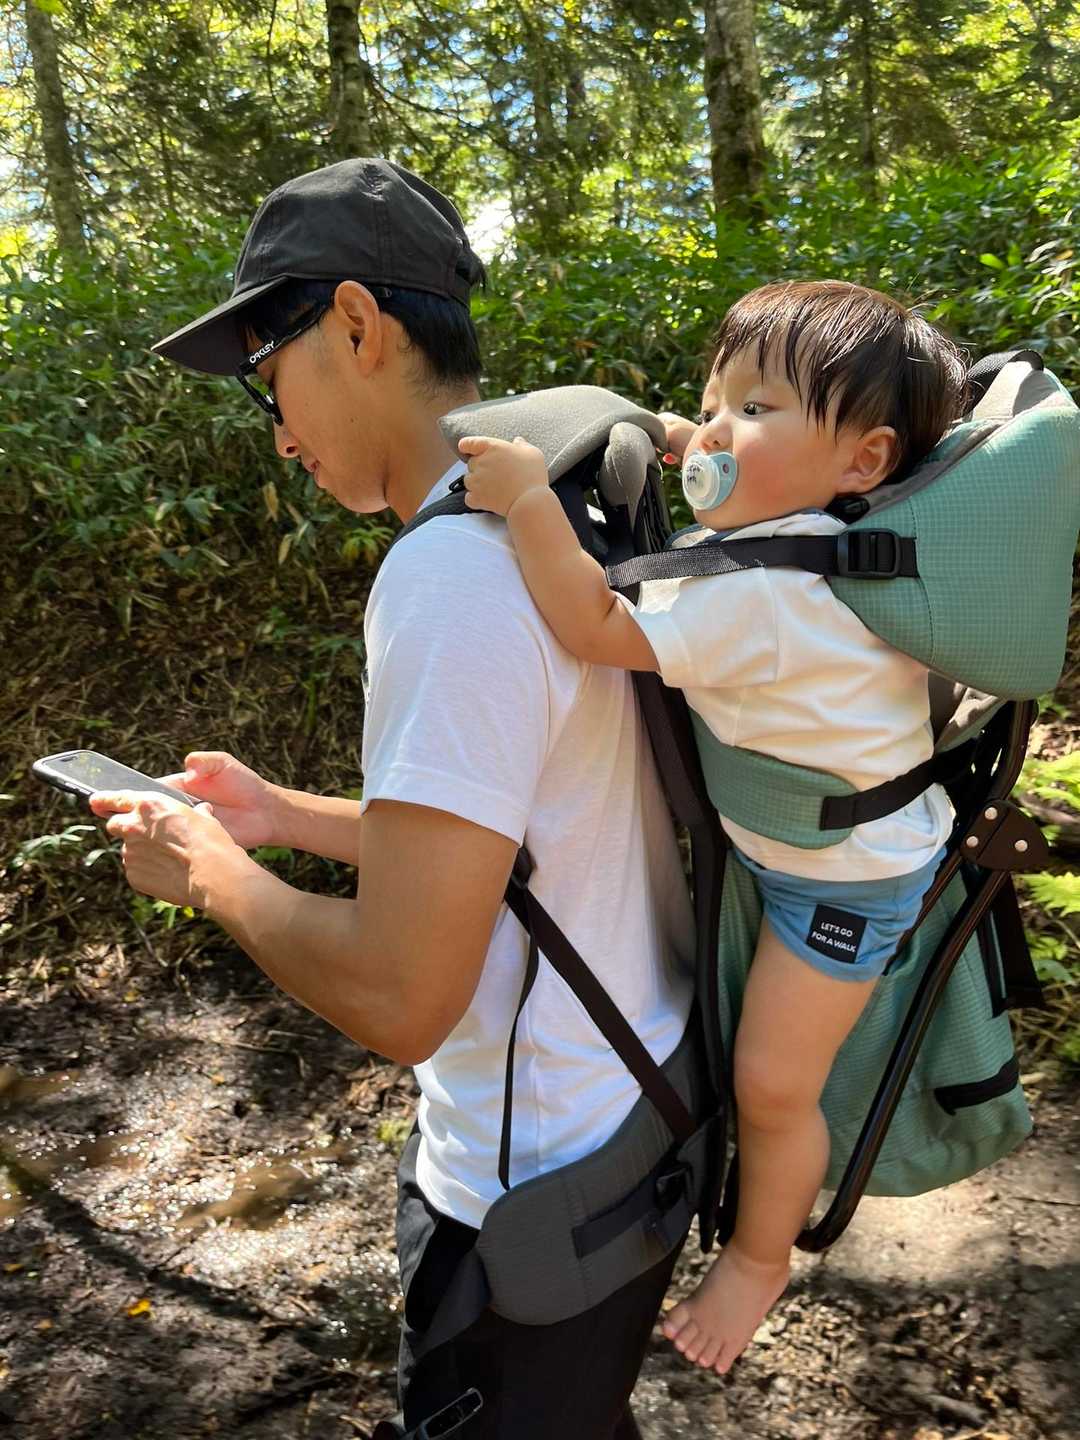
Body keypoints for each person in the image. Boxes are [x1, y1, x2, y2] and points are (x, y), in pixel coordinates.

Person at [87, 157, 695, 1439]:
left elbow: (403, 994)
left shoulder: (449, 575)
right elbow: (529, 836)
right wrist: (279, 817)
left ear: (358, 326)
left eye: (267, 376)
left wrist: (211, 873)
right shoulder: (556, 511)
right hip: (628, 1126)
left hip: (524, 1206)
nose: (278, 432)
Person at [458, 278, 966, 1377]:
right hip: (815, 846)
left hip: (840, 886)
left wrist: (529, 504)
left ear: (865, 461)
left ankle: (759, 1261)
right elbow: (735, 475)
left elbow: (595, 624)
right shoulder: (814, 536)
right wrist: (695, 434)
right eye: (711, 402)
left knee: (772, 1085)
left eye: (756, 408)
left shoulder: (764, 596)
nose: (716, 431)